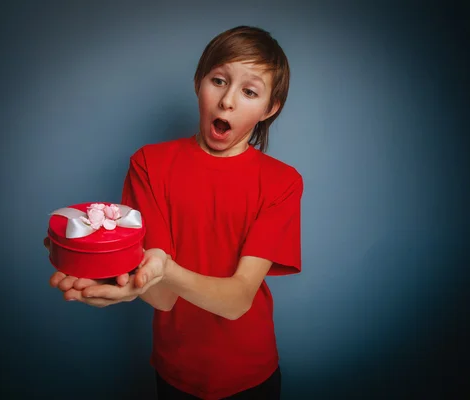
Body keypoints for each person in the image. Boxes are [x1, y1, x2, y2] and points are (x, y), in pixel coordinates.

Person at [47, 25, 303, 400]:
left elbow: (237, 301)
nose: (227, 101)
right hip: (174, 371)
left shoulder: (283, 182)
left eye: (249, 91)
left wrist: (157, 273)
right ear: (199, 82)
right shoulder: (149, 163)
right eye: (218, 81)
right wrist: (120, 281)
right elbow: (163, 297)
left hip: (252, 372)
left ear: (270, 108)